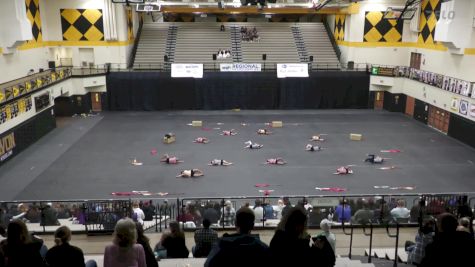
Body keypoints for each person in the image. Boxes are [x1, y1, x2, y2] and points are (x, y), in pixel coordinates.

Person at [205, 207, 270, 267]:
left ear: (235, 223)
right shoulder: (262, 247)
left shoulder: (220, 244)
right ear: (252, 226)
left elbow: (207, 264)